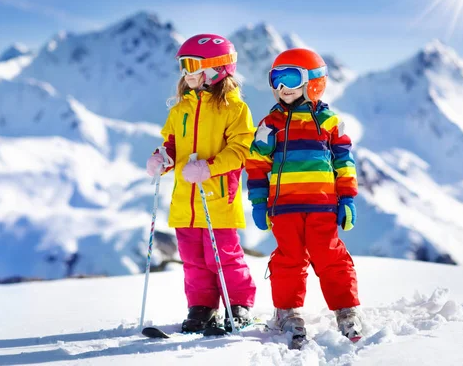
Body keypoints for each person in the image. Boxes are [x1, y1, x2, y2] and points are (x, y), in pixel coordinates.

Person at [245, 48, 362, 345]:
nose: (281, 87)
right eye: (276, 79)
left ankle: (346, 309)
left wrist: (347, 198)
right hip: (284, 207)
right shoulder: (270, 123)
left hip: (323, 204)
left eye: (290, 78)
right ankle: (287, 311)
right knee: (289, 259)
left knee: (330, 256)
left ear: (313, 82)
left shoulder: (329, 120)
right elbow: (257, 164)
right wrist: (259, 201)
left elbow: (344, 161)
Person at [146, 34, 256, 333]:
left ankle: (239, 305)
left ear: (217, 68)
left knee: (224, 257)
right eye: (183, 65)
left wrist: (209, 168)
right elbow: (172, 144)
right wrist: (163, 159)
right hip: (185, 200)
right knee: (193, 261)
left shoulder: (234, 109)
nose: (186, 72)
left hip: (217, 198)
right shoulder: (180, 109)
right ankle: (202, 307)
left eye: (192, 64)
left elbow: (240, 150)